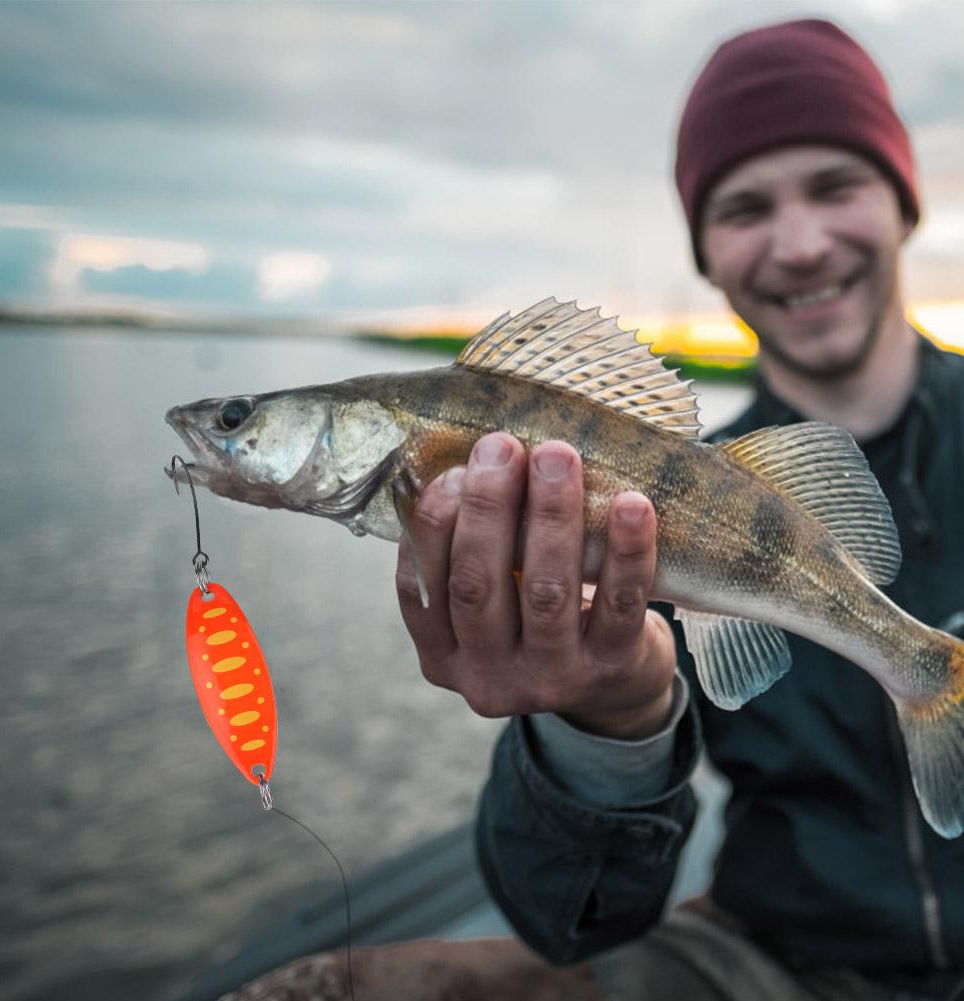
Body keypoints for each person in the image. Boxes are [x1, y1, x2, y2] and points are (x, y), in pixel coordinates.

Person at [391, 18, 964, 1001]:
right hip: (775, 954)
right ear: (705, 251)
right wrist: (604, 721)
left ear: (901, 204)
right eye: (744, 208)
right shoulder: (635, 507)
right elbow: (574, 921)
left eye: (834, 187)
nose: (798, 244)